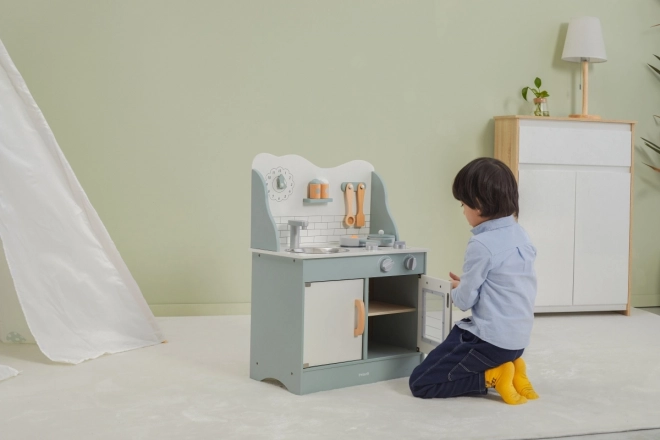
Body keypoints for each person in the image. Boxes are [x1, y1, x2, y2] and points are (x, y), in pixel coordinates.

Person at [409, 157, 539, 405]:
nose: (463, 211)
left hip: (489, 342)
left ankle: (493, 375)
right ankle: (514, 365)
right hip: (518, 341)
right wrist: (470, 282)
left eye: (463, 205)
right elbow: (506, 286)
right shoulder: (521, 235)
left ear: (478, 205)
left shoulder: (481, 244)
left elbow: (465, 300)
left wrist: (458, 289)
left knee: (422, 382)